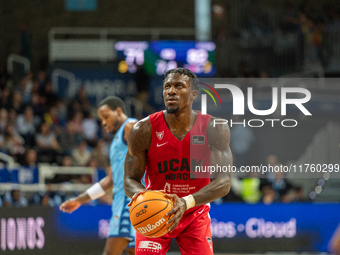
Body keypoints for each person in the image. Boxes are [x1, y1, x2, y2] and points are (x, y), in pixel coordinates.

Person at [124, 68, 233, 255]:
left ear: (193, 94)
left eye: (179, 86)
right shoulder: (142, 130)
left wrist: (186, 202)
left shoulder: (214, 128)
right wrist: (146, 198)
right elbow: (129, 180)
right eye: (167, 86)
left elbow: (224, 182)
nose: (171, 91)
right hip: (155, 213)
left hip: (194, 213)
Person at [60, 96, 137, 255]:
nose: (103, 122)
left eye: (106, 116)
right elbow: (110, 180)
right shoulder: (115, 141)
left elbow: (154, 155)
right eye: (101, 118)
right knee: (133, 250)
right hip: (123, 203)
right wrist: (79, 200)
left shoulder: (130, 126)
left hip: (129, 204)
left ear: (118, 111)